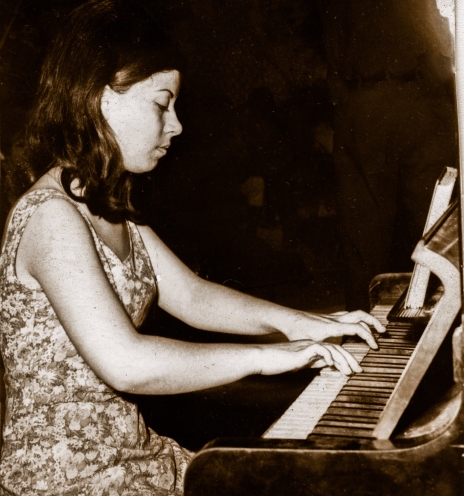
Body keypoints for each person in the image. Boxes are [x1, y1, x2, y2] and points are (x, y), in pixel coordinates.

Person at [0, 1, 384, 494]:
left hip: (131, 457)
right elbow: (126, 364)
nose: (176, 125)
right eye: (162, 104)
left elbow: (193, 296)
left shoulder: (102, 204)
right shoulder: (51, 216)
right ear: (101, 98)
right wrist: (266, 357)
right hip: (67, 480)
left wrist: (305, 323)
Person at [318, 0, 458, 311]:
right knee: (362, 227)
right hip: (366, 100)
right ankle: (362, 324)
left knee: (434, 221)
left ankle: (437, 323)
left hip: (421, 98)